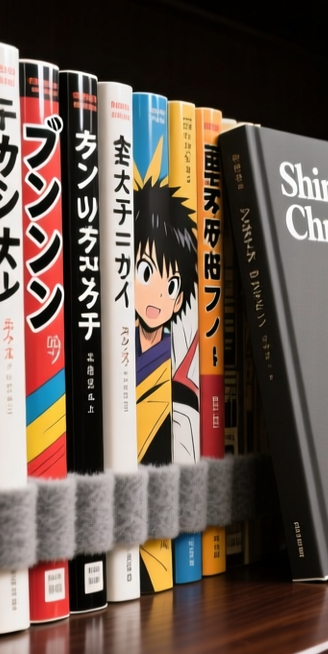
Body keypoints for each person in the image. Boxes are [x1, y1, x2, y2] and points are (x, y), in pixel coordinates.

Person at [134, 179, 198, 465]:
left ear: (180, 298)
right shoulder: (117, 348)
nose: (158, 295)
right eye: (146, 272)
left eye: (171, 286)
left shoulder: (177, 362)